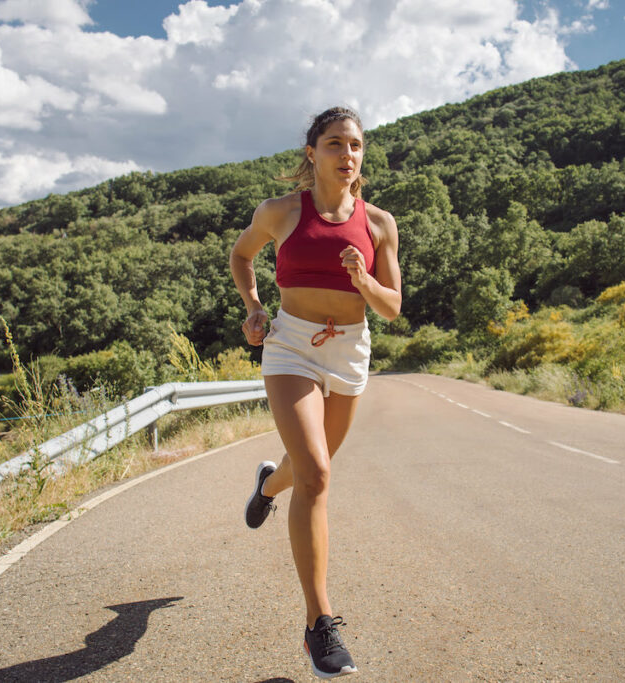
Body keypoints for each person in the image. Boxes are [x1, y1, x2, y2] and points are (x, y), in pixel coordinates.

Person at [229, 106, 401, 678]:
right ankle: (318, 624)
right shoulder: (279, 212)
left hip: (350, 348)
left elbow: (393, 307)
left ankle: (266, 485)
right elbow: (241, 256)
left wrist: (364, 279)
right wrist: (254, 308)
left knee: (307, 470)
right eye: (334, 144)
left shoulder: (379, 223)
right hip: (292, 345)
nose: (346, 155)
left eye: (354, 145)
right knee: (319, 475)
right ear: (312, 152)